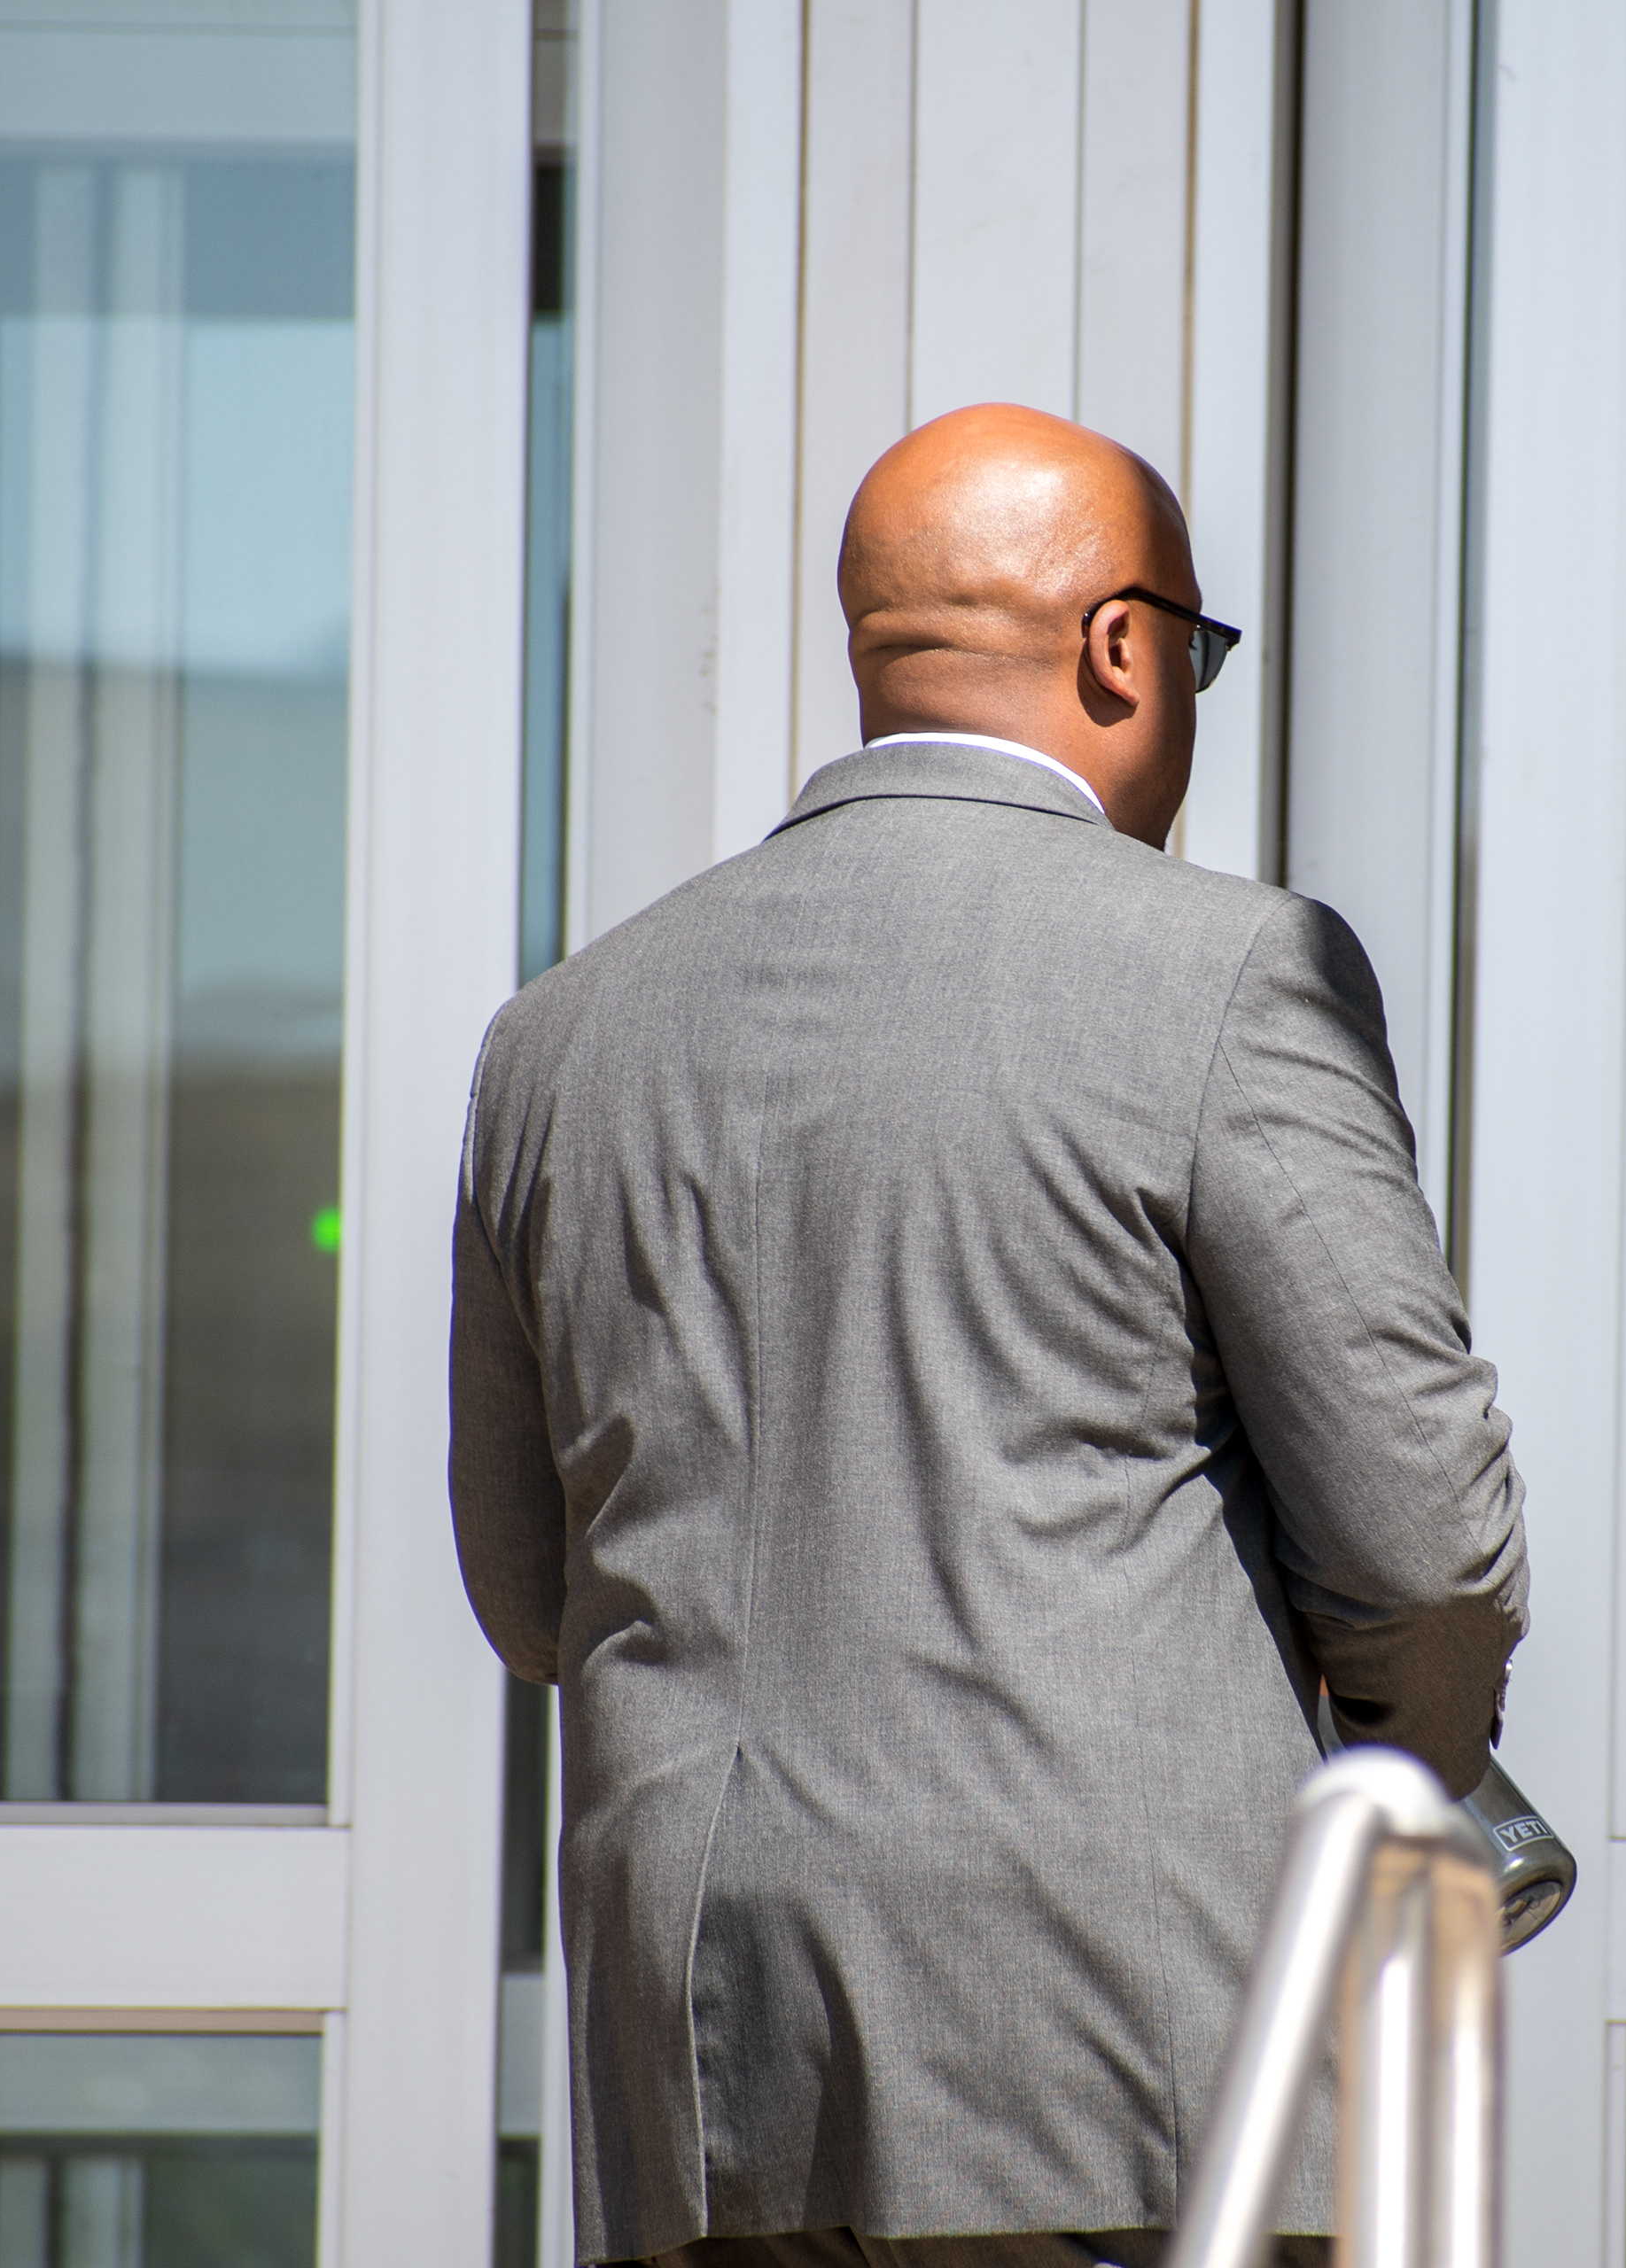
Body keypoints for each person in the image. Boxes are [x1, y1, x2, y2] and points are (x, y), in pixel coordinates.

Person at [448, 402, 1530, 2268]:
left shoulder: (561, 1033)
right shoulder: (1231, 969)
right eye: (1195, 650)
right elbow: (1426, 1540)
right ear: (1126, 645)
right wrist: (1408, 1773)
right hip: (1107, 2064)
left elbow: (532, 1596)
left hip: (698, 2075)